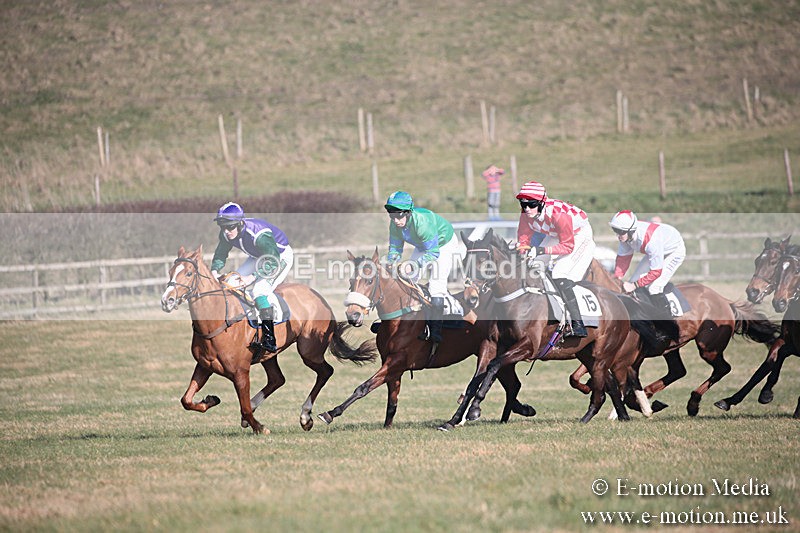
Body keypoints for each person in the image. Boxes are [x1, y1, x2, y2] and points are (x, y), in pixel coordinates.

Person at [211, 202, 294, 355]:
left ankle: (269, 338)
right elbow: (221, 254)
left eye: (230, 227)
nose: (227, 231)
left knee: (259, 290)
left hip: (278, 258)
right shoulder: (225, 234)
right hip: (257, 256)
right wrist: (215, 271)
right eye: (223, 227)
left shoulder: (259, 235)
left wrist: (252, 277)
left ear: (239, 223)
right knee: (230, 283)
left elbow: (272, 260)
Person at [384, 191, 466, 344]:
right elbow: (395, 249)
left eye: (399, 215)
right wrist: (390, 262)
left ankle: (436, 330)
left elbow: (433, 253)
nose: (396, 220)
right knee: (405, 280)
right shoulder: (395, 224)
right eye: (392, 215)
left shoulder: (421, 223)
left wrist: (414, 265)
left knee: (436, 285)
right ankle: (397, 320)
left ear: (408, 212)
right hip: (423, 246)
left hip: (443, 244)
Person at [515, 181, 595, 337]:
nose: (526, 209)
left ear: (541, 202)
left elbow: (567, 247)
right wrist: (522, 251)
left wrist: (540, 249)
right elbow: (524, 237)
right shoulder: (527, 213)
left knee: (560, 274)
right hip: (556, 235)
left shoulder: (558, 215)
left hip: (578, 237)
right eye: (523, 204)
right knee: (533, 268)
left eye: (531, 204)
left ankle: (578, 324)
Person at [609, 210, 685, 319]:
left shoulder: (651, 241)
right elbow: (623, 259)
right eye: (615, 230)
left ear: (631, 231)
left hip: (673, 252)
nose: (618, 235)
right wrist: (616, 277)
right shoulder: (626, 236)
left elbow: (656, 272)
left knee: (654, 287)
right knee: (631, 282)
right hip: (659, 249)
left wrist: (635, 285)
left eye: (620, 231)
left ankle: (666, 322)